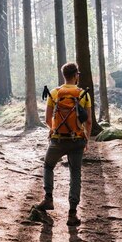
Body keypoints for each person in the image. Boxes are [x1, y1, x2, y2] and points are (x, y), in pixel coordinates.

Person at [35, 62, 92, 226]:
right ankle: (72, 214)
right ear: (76, 76)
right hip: (77, 141)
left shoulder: (54, 92)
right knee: (75, 173)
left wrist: (55, 131)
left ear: (63, 76)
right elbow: (88, 122)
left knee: (48, 166)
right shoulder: (83, 94)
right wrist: (86, 139)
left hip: (58, 140)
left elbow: (47, 119)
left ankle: (48, 198)